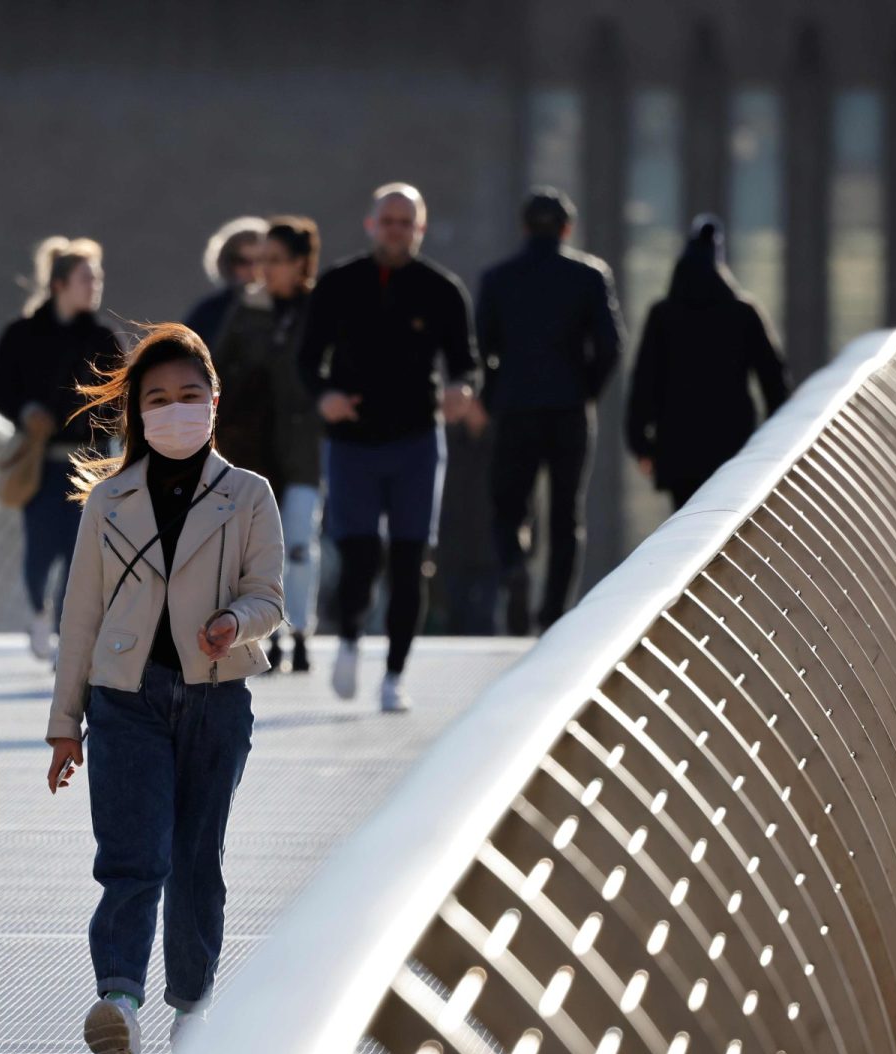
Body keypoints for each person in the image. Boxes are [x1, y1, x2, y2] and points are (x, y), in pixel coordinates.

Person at [46, 323, 285, 1054]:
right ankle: (118, 1002)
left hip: (217, 699)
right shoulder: (109, 501)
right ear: (136, 412)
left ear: (214, 402)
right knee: (131, 858)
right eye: (158, 399)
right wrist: (64, 727)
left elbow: (269, 595)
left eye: (189, 395)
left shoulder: (249, 495)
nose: (175, 409)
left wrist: (233, 624)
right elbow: (79, 618)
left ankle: (192, 1004)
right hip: (125, 701)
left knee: (194, 861)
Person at [298, 183, 481, 712]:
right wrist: (325, 396)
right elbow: (308, 360)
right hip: (353, 440)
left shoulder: (441, 290)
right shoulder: (338, 284)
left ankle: (395, 675)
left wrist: (462, 388)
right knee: (359, 556)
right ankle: (351, 637)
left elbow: (466, 359)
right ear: (370, 224)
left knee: (409, 559)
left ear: (419, 230)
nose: (396, 230)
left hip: (417, 441)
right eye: (389, 220)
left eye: (407, 222)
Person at [475, 187, 625, 636]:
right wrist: (587, 391)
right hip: (569, 408)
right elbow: (611, 346)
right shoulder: (589, 274)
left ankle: (515, 567)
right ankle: (553, 613)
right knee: (566, 513)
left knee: (508, 506)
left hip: (515, 406)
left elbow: (483, 346)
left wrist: (496, 392)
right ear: (567, 228)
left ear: (523, 227)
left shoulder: (498, 277)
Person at [0, 237, 123, 660]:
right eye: (87, 277)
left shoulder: (103, 337)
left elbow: (121, 397)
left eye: (97, 277)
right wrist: (26, 410)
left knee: (80, 550)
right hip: (41, 461)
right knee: (40, 547)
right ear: (61, 283)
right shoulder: (21, 334)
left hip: (91, 460)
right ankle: (37, 610)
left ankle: (68, 634)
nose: (95, 284)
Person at [214, 216, 324, 673]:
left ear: (301, 264)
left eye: (276, 261)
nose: (266, 271)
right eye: (262, 261)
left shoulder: (320, 311)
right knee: (256, 548)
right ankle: (267, 634)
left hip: (303, 448)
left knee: (299, 542)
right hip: (253, 449)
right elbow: (218, 367)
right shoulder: (247, 311)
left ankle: (300, 631)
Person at [626, 215, 791, 509]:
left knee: (688, 526)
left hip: (678, 449)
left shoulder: (663, 316)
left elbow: (645, 382)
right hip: (733, 447)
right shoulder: (743, 313)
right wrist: (774, 442)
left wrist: (640, 443)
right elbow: (773, 380)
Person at [182, 216, 267, 350]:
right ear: (228, 263)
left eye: (261, 260)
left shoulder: (289, 312)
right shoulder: (209, 312)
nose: (253, 269)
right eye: (243, 261)